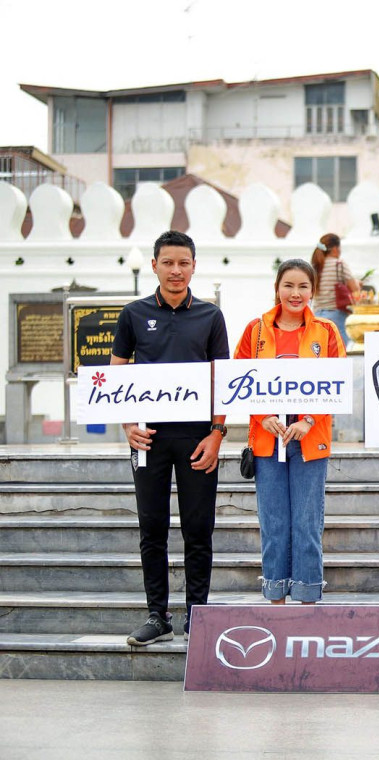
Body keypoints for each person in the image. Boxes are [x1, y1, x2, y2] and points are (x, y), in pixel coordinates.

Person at [112, 230, 229, 645]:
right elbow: (116, 372)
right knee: (152, 527)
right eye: (168, 263)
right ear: (154, 266)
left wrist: (217, 433)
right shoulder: (133, 313)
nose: (176, 270)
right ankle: (157, 616)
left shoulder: (211, 316)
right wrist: (127, 424)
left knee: (198, 528)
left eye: (183, 263)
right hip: (149, 440)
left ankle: (198, 615)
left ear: (194, 266)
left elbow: (222, 379)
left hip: (198, 437)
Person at [234, 259, 345, 605]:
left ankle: (308, 597)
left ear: (313, 291)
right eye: (289, 285)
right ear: (277, 288)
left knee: (307, 522)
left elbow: (337, 383)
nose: (295, 293)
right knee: (274, 522)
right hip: (269, 438)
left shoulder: (326, 331)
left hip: (309, 437)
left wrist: (308, 420)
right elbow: (237, 379)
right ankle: (276, 598)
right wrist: (262, 415)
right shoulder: (255, 331)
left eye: (303, 287)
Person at [311, 233, 360, 345]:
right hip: (336, 315)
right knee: (340, 349)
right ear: (335, 249)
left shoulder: (316, 266)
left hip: (317, 316)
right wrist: (358, 284)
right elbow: (355, 289)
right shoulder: (339, 264)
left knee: (322, 350)